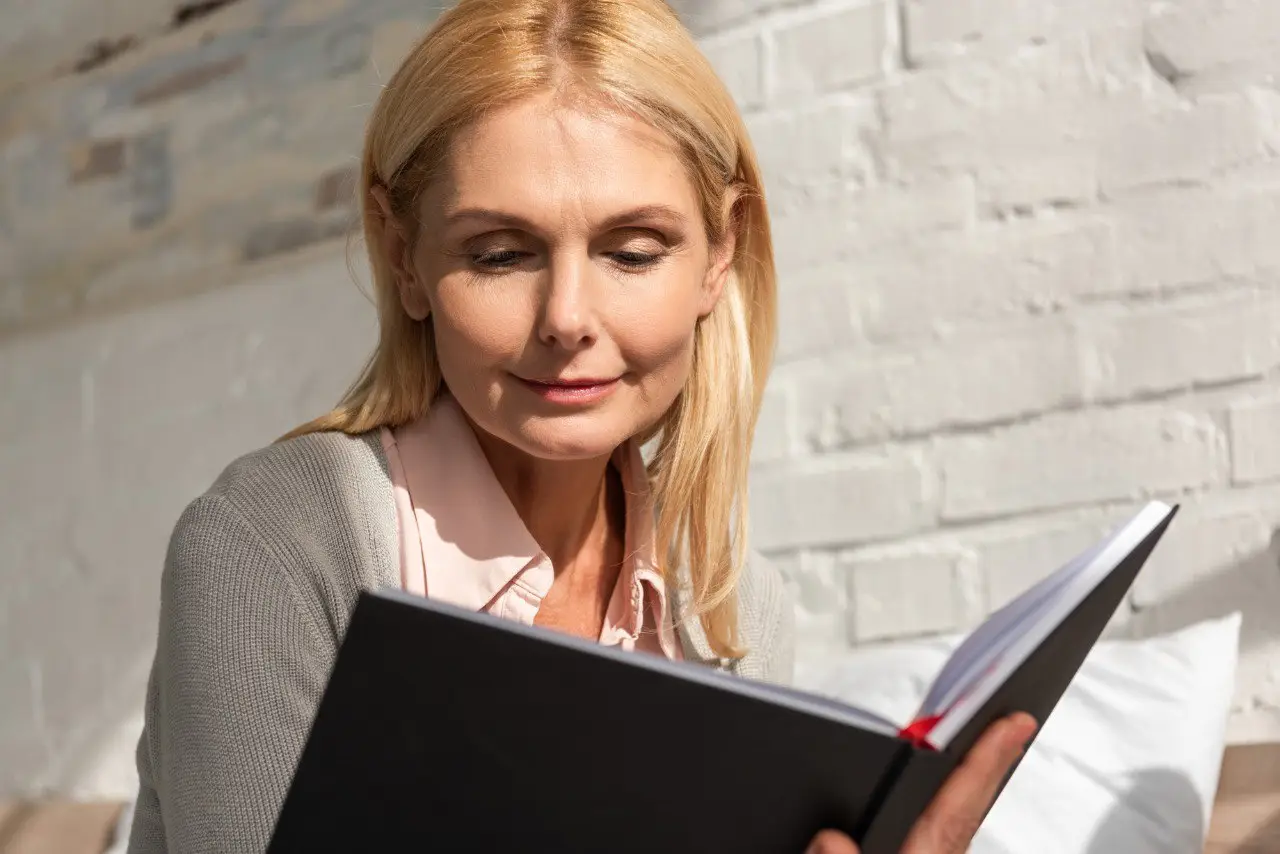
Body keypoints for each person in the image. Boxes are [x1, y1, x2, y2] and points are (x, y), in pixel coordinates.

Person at [125, 0, 1036, 851]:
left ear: (718, 256)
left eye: (632, 253)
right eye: (499, 254)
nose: (566, 317)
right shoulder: (277, 544)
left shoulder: (731, 612)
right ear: (404, 259)